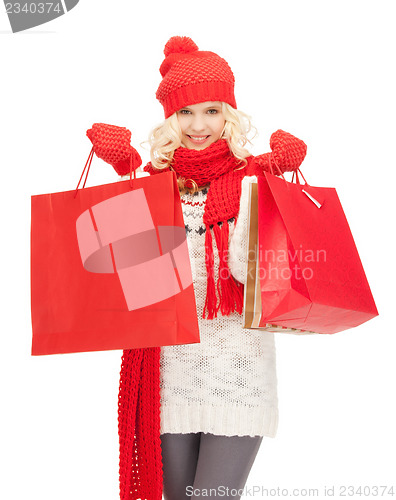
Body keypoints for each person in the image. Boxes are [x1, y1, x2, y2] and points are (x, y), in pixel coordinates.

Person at [116, 36, 307, 500]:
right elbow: (133, 281)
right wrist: (122, 179)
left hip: (238, 373)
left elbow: (250, 273)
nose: (199, 125)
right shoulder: (154, 186)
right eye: (185, 113)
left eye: (212, 111)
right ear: (169, 119)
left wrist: (266, 184)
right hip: (166, 374)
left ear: (230, 114)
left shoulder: (252, 178)